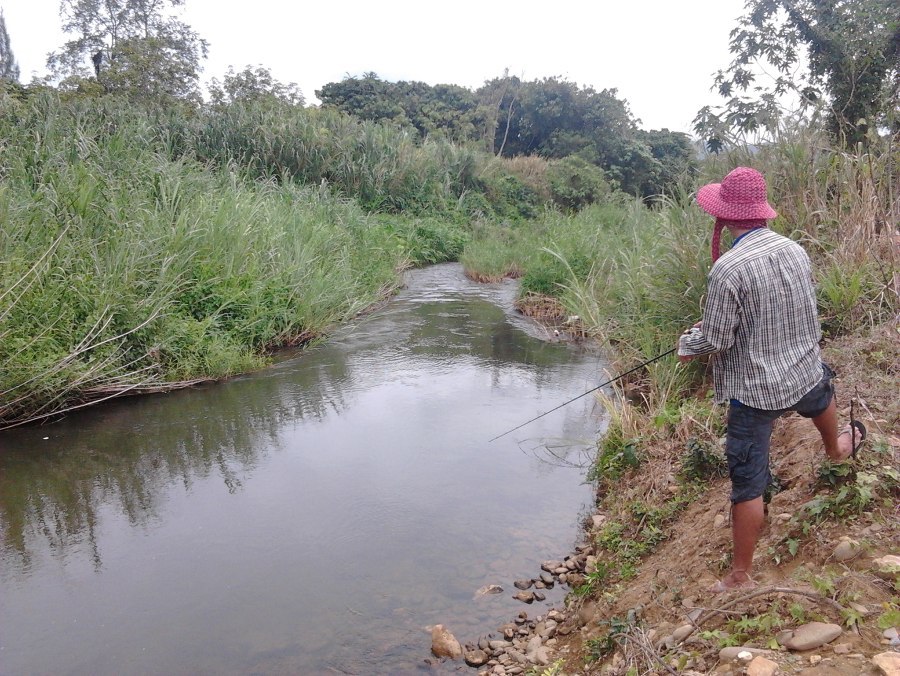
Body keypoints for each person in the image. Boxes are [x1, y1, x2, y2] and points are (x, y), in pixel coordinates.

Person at [677, 166, 866, 592]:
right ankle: (836, 451)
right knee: (821, 395)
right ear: (761, 211)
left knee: (748, 483)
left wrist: (688, 343)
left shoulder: (729, 269)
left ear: (724, 216)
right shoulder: (794, 249)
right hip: (803, 367)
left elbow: (718, 339)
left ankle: (740, 574)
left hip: (755, 392)